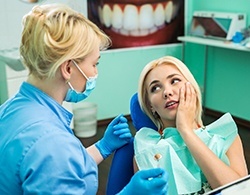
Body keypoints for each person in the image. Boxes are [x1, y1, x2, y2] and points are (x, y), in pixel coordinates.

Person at [0, 4, 168, 194]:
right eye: (94, 64)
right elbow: (55, 158)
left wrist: (103, 146)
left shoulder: (11, 109)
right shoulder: (51, 143)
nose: (95, 72)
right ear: (68, 69)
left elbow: (58, 169)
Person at [133, 56, 248, 194]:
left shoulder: (226, 137)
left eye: (174, 81)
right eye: (155, 88)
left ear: (192, 88)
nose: (167, 92)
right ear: (151, 106)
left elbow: (238, 192)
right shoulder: (146, 151)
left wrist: (186, 131)